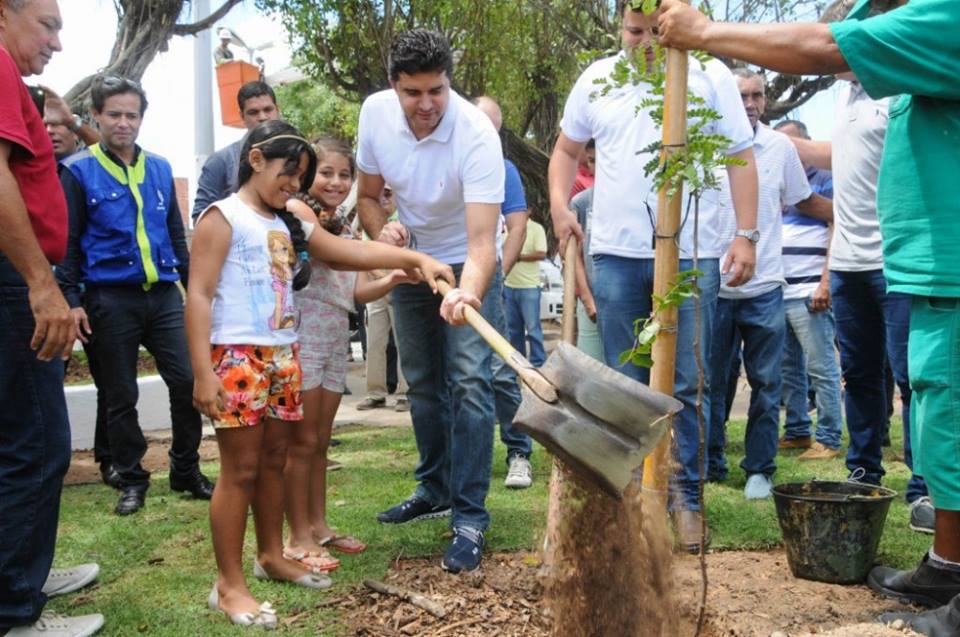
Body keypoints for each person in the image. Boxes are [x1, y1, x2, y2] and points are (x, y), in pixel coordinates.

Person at [658, 1, 960, 632]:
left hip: (946, 271)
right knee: (939, 419)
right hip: (931, 272)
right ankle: (948, 565)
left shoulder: (949, 17)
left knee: (948, 420)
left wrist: (706, 32)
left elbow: (826, 44)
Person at [186, 120, 452, 626]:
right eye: (289, 173)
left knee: (275, 460)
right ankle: (228, 585)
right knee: (240, 471)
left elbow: (354, 252)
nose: (294, 185)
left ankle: (271, 556)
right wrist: (203, 371)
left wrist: (416, 258)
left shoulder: (288, 220)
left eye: (300, 178)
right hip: (237, 357)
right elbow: (198, 295)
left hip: (284, 354)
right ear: (256, 159)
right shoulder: (222, 218)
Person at [547, 0, 759, 551]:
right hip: (615, 256)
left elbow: (740, 155)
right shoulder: (598, 78)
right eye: (633, 31)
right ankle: (633, 498)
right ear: (620, 26)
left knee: (687, 382)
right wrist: (559, 206)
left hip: (691, 253)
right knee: (626, 383)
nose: (643, 43)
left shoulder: (709, 75)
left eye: (654, 32)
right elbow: (566, 149)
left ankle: (686, 498)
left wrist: (746, 234)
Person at [356, 29, 506, 573]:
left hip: (468, 262)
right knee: (420, 382)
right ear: (393, 85)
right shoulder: (374, 114)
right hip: (412, 261)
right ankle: (434, 488)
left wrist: (469, 291)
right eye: (413, 92)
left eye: (436, 91)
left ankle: (469, 516)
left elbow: (483, 243)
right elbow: (368, 197)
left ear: (449, 82)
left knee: (469, 382)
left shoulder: (476, 134)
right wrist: (385, 233)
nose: (426, 105)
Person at [56, 75, 214, 516]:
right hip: (109, 298)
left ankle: (186, 468)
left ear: (142, 118)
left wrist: (195, 289)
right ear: (96, 117)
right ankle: (131, 477)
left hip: (163, 295)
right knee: (119, 393)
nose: (123, 123)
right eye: (114, 114)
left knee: (187, 380)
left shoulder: (160, 168)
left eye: (132, 115)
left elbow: (176, 237)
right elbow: (68, 244)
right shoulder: (77, 171)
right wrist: (72, 301)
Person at [781, 77, 931, 533]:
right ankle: (863, 471)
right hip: (848, 264)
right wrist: (770, 138)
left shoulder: (901, 90)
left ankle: (924, 485)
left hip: (895, 259)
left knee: (910, 377)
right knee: (859, 375)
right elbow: (839, 154)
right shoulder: (848, 96)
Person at [0, 1, 104, 635]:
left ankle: (22, 575)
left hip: (14, 277)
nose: (57, 44)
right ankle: (15, 607)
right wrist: (42, 284)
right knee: (36, 444)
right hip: (13, 280)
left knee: (19, 440)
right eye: (48, 25)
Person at [283, 139, 416, 573]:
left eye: (345, 175)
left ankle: (319, 526)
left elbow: (356, 289)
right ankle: (297, 536)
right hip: (304, 335)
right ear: (307, 174)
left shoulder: (341, 224)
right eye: (326, 173)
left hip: (334, 336)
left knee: (319, 442)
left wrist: (393, 278)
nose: (336, 183)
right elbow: (336, 258)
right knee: (301, 443)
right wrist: (397, 253)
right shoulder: (298, 211)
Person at [707, 69, 833, 501]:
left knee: (766, 383)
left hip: (765, 287)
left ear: (766, 100)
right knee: (710, 382)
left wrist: (851, 212)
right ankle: (710, 462)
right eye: (741, 95)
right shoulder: (704, 144)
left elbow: (806, 200)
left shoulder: (780, 148)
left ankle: (759, 469)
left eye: (757, 95)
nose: (750, 103)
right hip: (713, 288)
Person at [770, 119, 843, 462]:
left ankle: (828, 436)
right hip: (779, 290)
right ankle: (797, 430)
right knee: (789, 371)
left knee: (821, 368)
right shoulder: (775, 182)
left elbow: (836, 228)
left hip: (810, 291)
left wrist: (826, 283)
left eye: (793, 144)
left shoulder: (825, 181)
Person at [472, 95, 534, 488]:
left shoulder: (504, 169)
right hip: (442, 275)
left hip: (486, 277)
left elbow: (518, 226)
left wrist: (497, 272)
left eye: (492, 129)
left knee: (499, 367)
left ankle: (519, 451)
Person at [192, 81, 281, 222]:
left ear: (277, 110)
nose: (262, 117)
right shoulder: (221, 161)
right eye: (253, 112)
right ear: (242, 116)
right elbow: (201, 217)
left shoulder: (296, 155)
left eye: (268, 109)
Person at [356, 185, 410, 412]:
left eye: (387, 193)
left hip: (400, 288)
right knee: (375, 343)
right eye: (378, 193)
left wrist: (389, 281)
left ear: (396, 195)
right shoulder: (369, 218)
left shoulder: (404, 220)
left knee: (403, 343)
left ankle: (405, 394)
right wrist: (382, 280)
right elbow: (363, 254)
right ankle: (375, 393)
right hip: (376, 290)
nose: (382, 198)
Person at [503, 219, 548, 368]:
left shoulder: (536, 228)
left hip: (529, 287)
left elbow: (542, 254)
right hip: (509, 286)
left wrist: (517, 257)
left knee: (533, 329)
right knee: (513, 330)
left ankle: (538, 364)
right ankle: (518, 365)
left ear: (529, 211)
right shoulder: (505, 228)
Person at [568, 185, 603, 362]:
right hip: (591, 297)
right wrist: (587, 298)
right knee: (590, 364)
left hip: (629, 299)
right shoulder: (582, 201)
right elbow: (574, 252)